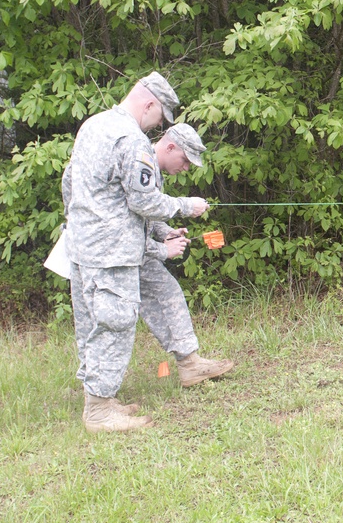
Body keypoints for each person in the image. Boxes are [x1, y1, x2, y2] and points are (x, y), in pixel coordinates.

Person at [62, 72, 210, 433]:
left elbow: (69, 182)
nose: (158, 125)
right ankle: (99, 411)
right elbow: (142, 200)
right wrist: (185, 205)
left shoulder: (93, 126)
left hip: (83, 248)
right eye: (160, 117)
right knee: (114, 322)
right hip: (112, 254)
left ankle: (102, 399)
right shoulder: (132, 140)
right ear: (149, 104)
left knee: (95, 323)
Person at [138, 123, 234, 388]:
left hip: (139, 252)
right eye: (185, 160)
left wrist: (166, 232)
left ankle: (190, 365)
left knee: (169, 292)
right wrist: (163, 249)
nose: (187, 167)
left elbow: (147, 214)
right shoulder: (139, 162)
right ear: (170, 147)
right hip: (118, 255)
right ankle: (99, 396)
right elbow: (126, 224)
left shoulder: (154, 170)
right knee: (114, 323)